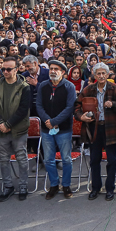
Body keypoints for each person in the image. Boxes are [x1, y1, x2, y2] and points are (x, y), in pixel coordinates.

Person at [76, 62, 116, 201]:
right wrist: (81, 116)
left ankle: (110, 188)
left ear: (107, 74)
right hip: (94, 128)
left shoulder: (114, 88)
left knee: (112, 159)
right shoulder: (88, 89)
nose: (101, 76)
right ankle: (95, 188)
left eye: (103, 73)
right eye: (98, 73)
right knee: (94, 159)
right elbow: (77, 106)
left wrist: (114, 104)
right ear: (94, 75)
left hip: (110, 127)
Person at [0, 56, 31, 202]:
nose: (5, 72)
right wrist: (0, 122)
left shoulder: (24, 87)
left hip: (18, 129)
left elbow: (23, 109)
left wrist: (8, 124)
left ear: (17, 69)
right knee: (4, 159)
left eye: (8, 69)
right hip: (0, 129)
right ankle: (7, 186)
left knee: (21, 157)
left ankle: (23, 185)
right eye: (3, 69)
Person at [36, 60, 77, 200]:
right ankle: (54, 185)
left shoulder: (69, 86)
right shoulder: (43, 86)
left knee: (66, 159)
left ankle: (66, 185)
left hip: (64, 129)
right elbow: (39, 105)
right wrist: (48, 121)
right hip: (46, 129)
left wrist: (54, 121)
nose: (52, 71)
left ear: (63, 72)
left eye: (56, 69)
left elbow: (69, 108)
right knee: (48, 160)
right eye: (51, 68)